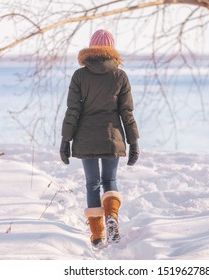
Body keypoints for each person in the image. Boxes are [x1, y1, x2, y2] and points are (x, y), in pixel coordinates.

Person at [59, 29, 140, 249]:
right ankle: (112, 215)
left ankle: (97, 235)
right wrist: (134, 142)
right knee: (110, 181)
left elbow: (72, 110)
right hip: (111, 137)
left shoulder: (79, 75)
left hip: (85, 138)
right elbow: (127, 112)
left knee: (92, 184)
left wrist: (65, 140)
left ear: (91, 47)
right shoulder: (120, 76)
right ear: (111, 49)